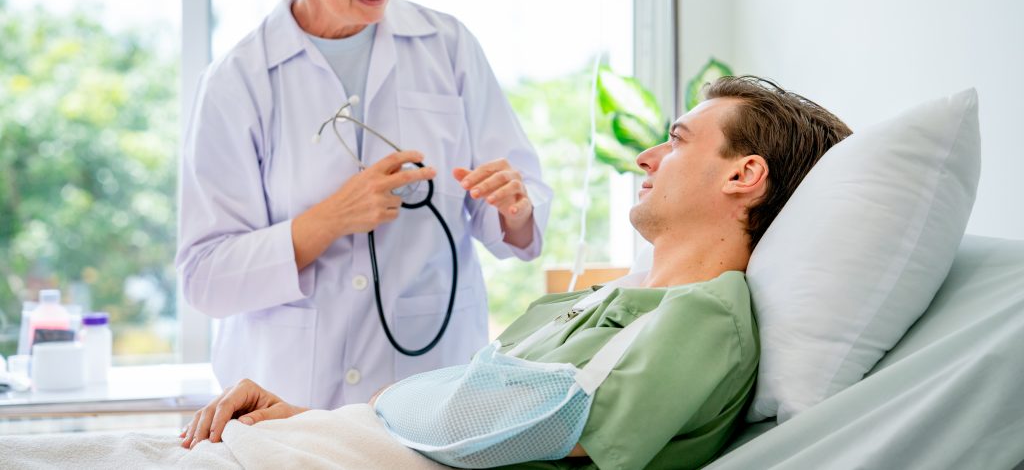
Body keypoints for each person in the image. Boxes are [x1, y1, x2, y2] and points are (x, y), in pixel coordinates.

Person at [180, 76, 852, 469]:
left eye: (675, 139)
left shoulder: (705, 318)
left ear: (744, 173)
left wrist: (357, 419)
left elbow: (522, 427)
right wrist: (305, 419)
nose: (647, 156)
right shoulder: (612, 300)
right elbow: (466, 416)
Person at [176, 0, 552, 412]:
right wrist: (330, 219)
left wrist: (514, 208)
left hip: (430, 391)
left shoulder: (446, 47)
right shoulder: (239, 80)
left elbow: (515, 223)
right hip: (286, 400)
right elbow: (206, 277)